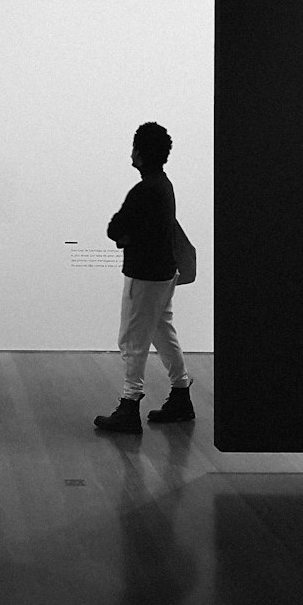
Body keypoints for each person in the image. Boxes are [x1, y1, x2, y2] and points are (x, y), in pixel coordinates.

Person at [94, 122, 193, 435]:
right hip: (164, 273)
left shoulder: (144, 189)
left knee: (132, 340)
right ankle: (181, 394)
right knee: (163, 332)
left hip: (145, 275)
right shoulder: (164, 185)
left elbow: (114, 228)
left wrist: (125, 236)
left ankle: (129, 404)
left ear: (139, 152)